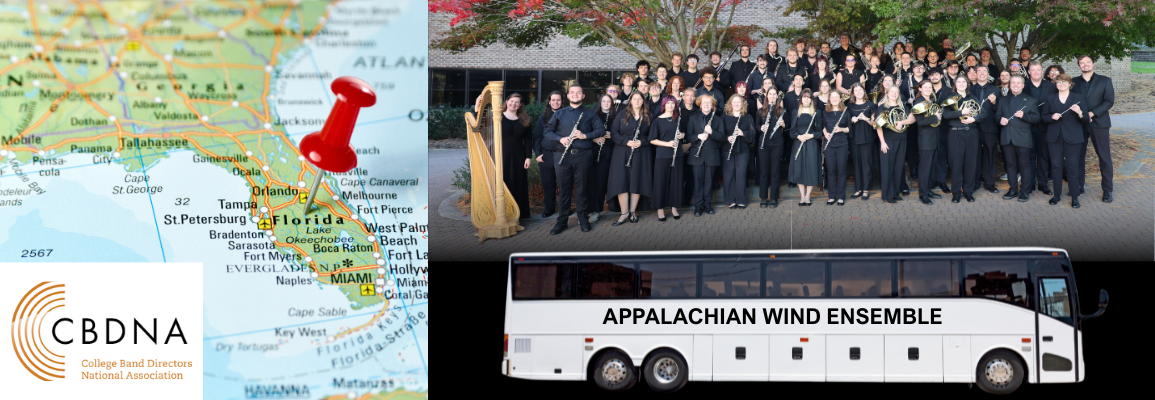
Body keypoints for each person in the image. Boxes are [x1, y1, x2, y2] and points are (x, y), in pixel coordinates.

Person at [544, 84, 605, 234]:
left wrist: (585, 136)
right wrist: (560, 139)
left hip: (583, 156)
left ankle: (583, 220)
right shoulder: (559, 113)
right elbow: (548, 131)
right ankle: (562, 222)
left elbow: (601, 130)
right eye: (572, 92)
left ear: (583, 96)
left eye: (578, 92)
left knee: (582, 190)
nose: (575, 94)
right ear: (568, 96)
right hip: (562, 156)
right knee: (564, 191)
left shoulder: (590, 113)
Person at [1072, 55, 1115, 202]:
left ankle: (1107, 190)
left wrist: (1092, 113)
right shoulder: (1074, 82)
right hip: (1078, 123)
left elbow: (1109, 101)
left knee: (1104, 156)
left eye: (1088, 62)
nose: (1085, 65)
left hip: (1099, 122)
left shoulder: (1105, 80)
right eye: (1082, 63)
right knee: (1078, 156)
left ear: (1093, 64)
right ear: (1079, 65)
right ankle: (1079, 186)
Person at [1042, 73, 1089, 208]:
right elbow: (1043, 116)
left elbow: (1086, 119)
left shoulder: (1078, 98)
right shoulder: (1050, 98)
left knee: (1072, 167)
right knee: (1056, 166)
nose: (1061, 84)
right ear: (1055, 84)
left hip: (1073, 136)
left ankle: (1074, 197)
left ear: (1070, 84)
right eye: (1058, 82)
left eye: (1064, 82)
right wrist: (1051, 117)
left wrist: (1079, 112)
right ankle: (1056, 195)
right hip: (1054, 137)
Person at [607, 91, 653, 225]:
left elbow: (652, 136)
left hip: (641, 152)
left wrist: (642, 142)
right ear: (630, 101)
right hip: (622, 151)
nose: (637, 101)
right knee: (621, 181)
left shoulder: (648, 116)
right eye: (635, 99)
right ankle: (624, 212)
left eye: (640, 99)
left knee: (637, 180)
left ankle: (632, 212)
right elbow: (614, 133)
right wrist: (626, 142)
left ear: (643, 101)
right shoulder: (622, 114)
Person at [484, 92, 533, 217]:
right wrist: (478, 107)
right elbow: (481, 122)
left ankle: (517, 214)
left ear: (520, 105)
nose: (513, 104)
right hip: (499, 153)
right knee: (502, 181)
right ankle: (500, 213)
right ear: (507, 101)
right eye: (511, 101)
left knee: (518, 181)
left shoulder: (525, 119)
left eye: (517, 102)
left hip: (519, 155)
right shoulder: (497, 116)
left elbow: (528, 140)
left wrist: (528, 157)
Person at [996, 75, 1041, 202]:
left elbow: (1037, 118)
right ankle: (1013, 189)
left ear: (1023, 85)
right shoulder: (1003, 100)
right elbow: (997, 116)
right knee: (1010, 165)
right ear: (1010, 85)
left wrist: (1024, 115)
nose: (1015, 85)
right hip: (1007, 137)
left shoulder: (1031, 100)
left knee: (1024, 165)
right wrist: (1000, 120)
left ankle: (1025, 191)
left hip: (1023, 138)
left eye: (1018, 83)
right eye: (1013, 83)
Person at [942, 76, 984, 202]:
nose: (961, 84)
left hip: (971, 132)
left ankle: (968, 192)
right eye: (958, 82)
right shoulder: (950, 98)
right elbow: (945, 115)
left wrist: (974, 119)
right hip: (955, 133)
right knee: (956, 164)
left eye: (963, 81)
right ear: (955, 84)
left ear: (967, 84)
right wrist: (961, 112)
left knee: (970, 163)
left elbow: (984, 113)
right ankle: (956, 193)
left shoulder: (973, 98)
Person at [877, 85, 916, 203]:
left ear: (899, 94)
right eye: (892, 92)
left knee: (898, 167)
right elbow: (878, 126)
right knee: (887, 168)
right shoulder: (882, 107)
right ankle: (887, 195)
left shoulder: (903, 106)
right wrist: (882, 142)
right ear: (887, 93)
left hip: (902, 140)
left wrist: (902, 122)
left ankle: (895, 193)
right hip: (888, 141)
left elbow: (912, 119)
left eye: (896, 92)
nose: (894, 94)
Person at [648, 95, 686, 220]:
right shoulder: (657, 120)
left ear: (675, 105)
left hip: (677, 155)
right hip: (662, 155)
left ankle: (674, 208)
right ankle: (660, 209)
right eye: (668, 103)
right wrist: (667, 144)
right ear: (664, 105)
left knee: (676, 182)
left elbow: (684, 133)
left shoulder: (678, 119)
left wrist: (682, 135)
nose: (670, 105)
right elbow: (652, 140)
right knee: (661, 182)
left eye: (672, 103)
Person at [686, 95, 724, 216]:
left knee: (709, 181)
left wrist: (712, 132)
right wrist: (698, 136)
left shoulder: (718, 119)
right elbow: (688, 136)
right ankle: (698, 206)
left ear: (712, 106)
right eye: (704, 102)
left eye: (709, 103)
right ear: (700, 104)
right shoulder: (693, 118)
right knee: (698, 181)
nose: (706, 104)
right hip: (697, 155)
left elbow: (722, 137)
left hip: (712, 155)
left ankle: (708, 205)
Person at [1024, 61, 1056, 196]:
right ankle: (1030, 183)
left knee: (1044, 156)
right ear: (1029, 72)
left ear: (1042, 71)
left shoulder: (1051, 86)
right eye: (1033, 70)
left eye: (1038, 70)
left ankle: (1043, 183)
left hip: (1045, 126)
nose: (1036, 72)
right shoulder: (1023, 85)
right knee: (1029, 156)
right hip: (1027, 126)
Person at [788, 89, 824, 206]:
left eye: (808, 97)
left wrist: (810, 135)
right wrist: (798, 136)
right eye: (804, 97)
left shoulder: (817, 112)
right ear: (801, 99)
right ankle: (802, 196)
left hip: (811, 143)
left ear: (812, 99)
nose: (806, 99)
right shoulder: (795, 112)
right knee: (799, 169)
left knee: (811, 169)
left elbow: (819, 131)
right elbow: (792, 131)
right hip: (799, 142)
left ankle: (807, 196)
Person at [532, 90, 564, 218]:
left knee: (564, 184)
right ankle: (549, 208)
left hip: (562, 154)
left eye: (558, 100)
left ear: (562, 102)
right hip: (546, 155)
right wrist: (538, 154)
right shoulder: (543, 117)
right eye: (553, 100)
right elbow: (537, 137)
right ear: (549, 102)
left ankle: (564, 209)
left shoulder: (567, 116)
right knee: (548, 183)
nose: (556, 102)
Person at [720, 94, 755, 209]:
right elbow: (720, 133)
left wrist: (742, 133)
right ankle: (730, 200)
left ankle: (741, 200)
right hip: (727, 149)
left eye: (739, 102)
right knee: (728, 175)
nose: (736, 104)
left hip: (743, 150)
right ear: (730, 104)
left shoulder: (747, 117)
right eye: (734, 102)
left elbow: (753, 134)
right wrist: (727, 138)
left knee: (741, 175)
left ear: (742, 104)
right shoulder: (724, 116)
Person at [970, 65, 1001, 193]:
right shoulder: (969, 89)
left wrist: (994, 103)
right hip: (973, 127)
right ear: (976, 74)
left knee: (990, 155)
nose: (982, 73)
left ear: (988, 74)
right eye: (979, 71)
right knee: (974, 156)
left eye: (984, 71)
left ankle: (990, 183)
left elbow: (1001, 110)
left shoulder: (996, 90)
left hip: (990, 127)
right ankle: (975, 182)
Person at [913, 80, 943, 204]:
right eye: (925, 87)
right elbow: (920, 122)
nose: (928, 89)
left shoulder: (932, 101)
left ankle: (928, 190)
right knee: (925, 168)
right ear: (920, 89)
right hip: (925, 139)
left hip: (934, 138)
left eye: (930, 87)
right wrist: (936, 117)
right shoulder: (918, 102)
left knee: (931, 167)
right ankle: (923, 194)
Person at [756, 84, 786, 207]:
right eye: (770, 94)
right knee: (764, 172)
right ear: (766, 96)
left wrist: (783, 124)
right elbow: (756, 125)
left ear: (777, 96)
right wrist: (761, 127)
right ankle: (763, 198)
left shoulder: (781, 111)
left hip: (777, 144)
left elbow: (788, 126)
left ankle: (774, 198)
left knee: (775, 172)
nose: (772, 96)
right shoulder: (761, 111)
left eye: (774, 94)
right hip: (764, 144)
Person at [847, 83, 877, 200]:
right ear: (853, 93)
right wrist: (851, 120)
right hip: (854, 139)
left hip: (867, 138)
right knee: (857, 165)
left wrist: (865, 118)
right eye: (856, 91)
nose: (858, 92)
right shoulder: (849, 105)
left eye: (860, 90)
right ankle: (858, 189)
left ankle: (866, 190)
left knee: (867, 165)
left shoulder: (871, 105)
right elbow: (845, 122)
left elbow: (874, 124)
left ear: (864, 91)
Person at [589, 93, 617, 215]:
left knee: (607, 182)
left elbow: (621, 134)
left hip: (609, 154)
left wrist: (612, 135)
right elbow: (587, 132)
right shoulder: (593, 115)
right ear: (600, 103)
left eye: (608, 101)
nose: (606, 103)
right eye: (604, 101)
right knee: (596, 183)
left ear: (612, 104)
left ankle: (613, 206)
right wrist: (594, 139)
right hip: (595, 153)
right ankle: (596, 209)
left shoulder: (616, 117)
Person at [822, 90, 851, 205]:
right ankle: (832, 196)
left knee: (842, 171)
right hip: (829, 145)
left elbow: (849, 128)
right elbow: (823, 126)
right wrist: (825, 134)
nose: (834, 99)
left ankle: (841, 196)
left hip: (842, 144)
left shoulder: (845, 112)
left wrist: (841, 129)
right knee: (831, 171)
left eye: (836, 97)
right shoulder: (825, 112)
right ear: (829, 99)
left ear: (840, 99)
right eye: (832, 97)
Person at [678, 88, 699, 206]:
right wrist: (681, 145)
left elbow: (699, 130)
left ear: (695, 98)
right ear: (683, 97)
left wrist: (689, 145)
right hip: (679, 146)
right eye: (687, 95)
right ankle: (678, 199)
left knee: (691, 175)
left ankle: (687, 199)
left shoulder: (698, 112)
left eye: (692, 96)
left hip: (693, 145)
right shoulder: (678, 110)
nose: (689, 98)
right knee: (679, 175)